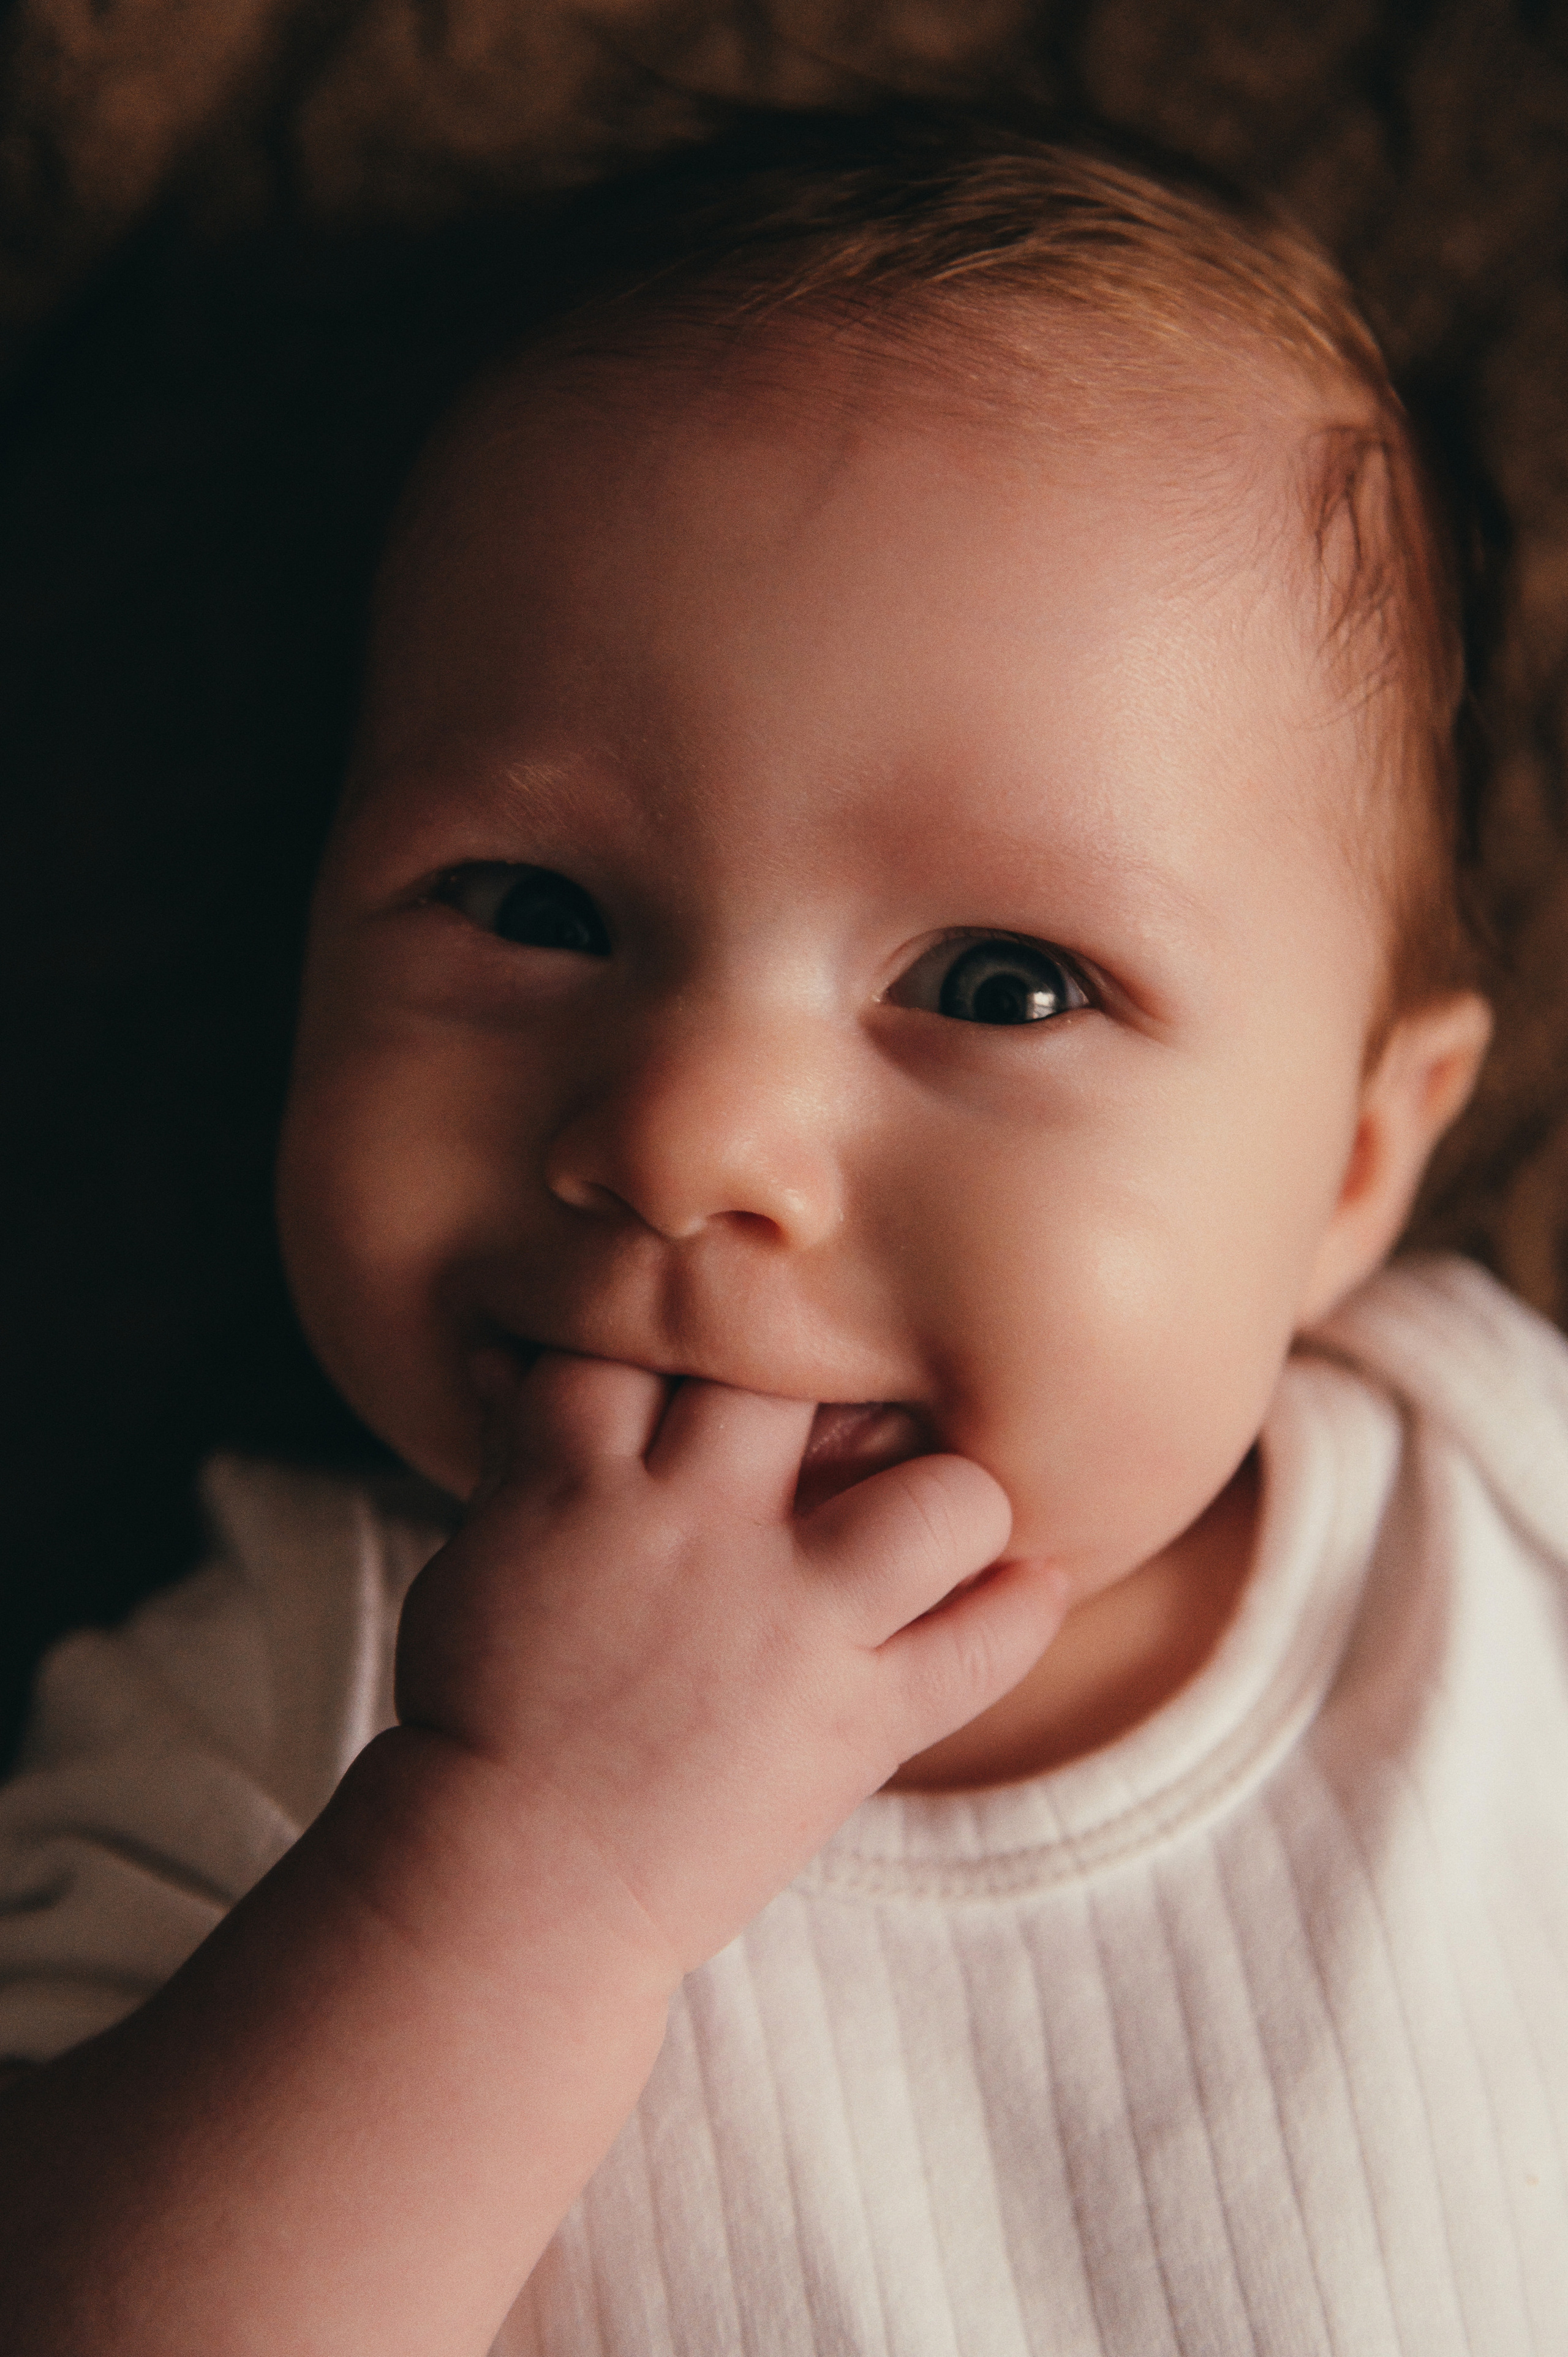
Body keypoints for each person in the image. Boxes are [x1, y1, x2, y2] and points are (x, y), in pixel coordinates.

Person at [1, 108, 1563, 2355]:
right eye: (534, 910)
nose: (688, 1138)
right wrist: (522, 1863)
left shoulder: (1501, 1506)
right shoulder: (300, 1705)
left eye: (1003, 984)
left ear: (1351, 1164)